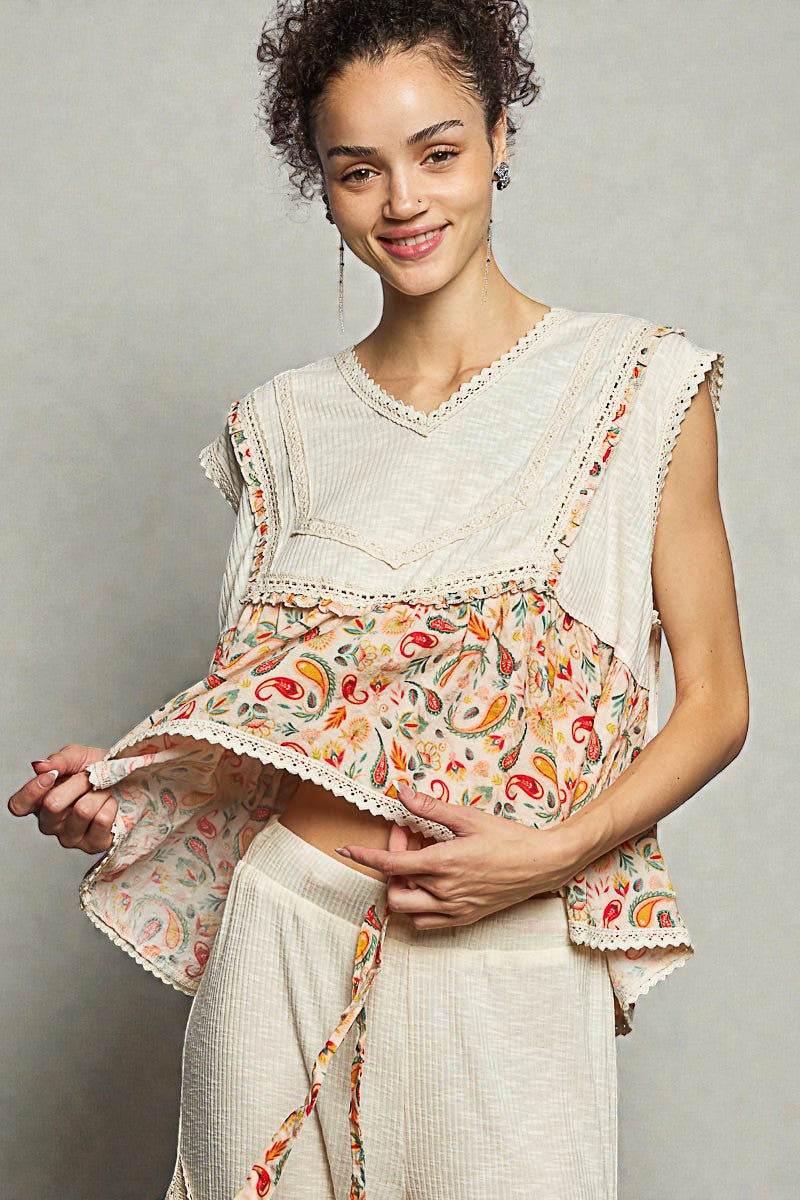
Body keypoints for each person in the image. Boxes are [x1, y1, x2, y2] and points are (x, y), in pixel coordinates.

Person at [8, 2, 749, 1198]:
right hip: (281, 940)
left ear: (502, 138)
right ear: (325, 184)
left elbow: (715, 704)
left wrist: (544, 857)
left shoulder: (641, 384)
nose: (403, 202)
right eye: (359, 172)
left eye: (438, 152)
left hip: (507, 950)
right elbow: (284, 722)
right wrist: (128, 792)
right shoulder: (280, 430)